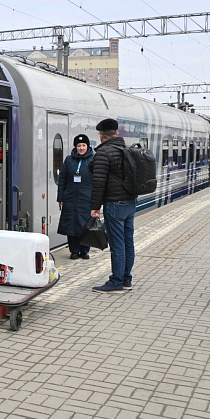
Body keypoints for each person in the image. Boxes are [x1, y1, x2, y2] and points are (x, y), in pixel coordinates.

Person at [89, 118, 138, 293]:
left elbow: (99, 182)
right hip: (130, 202)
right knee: (127, 242)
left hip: (114, 204)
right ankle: (126, 279)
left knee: (117, 244)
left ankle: (116, 282)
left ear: (101, 136)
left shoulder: (104, 153)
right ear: (116, 134)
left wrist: (95, 207)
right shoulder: (126, 150)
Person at [57, 134, 95, 260]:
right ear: (75, 147)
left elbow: (97, 180)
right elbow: (62, 179)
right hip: (70, 198)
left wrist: (96, 200)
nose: (81, 148)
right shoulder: (69, 160)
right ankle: (74, 250)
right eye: (79, 146)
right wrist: (60, 197)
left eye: (84, 145)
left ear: (88, 146)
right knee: (71, 225)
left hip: (86, 198)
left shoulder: (93, 160)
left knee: (86, 225)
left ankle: (85, 250)